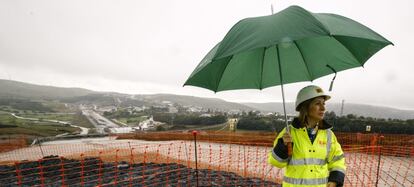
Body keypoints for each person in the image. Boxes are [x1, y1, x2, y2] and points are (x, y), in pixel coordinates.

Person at [268, 85, 346, 187]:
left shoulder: (328, 135)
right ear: (306, 107)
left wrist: (335, 180)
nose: (323, 108)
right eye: (318, 103)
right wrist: (282, 145)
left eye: (323, 103)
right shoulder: (288, 132)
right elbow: (276, 162)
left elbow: (338, 160)